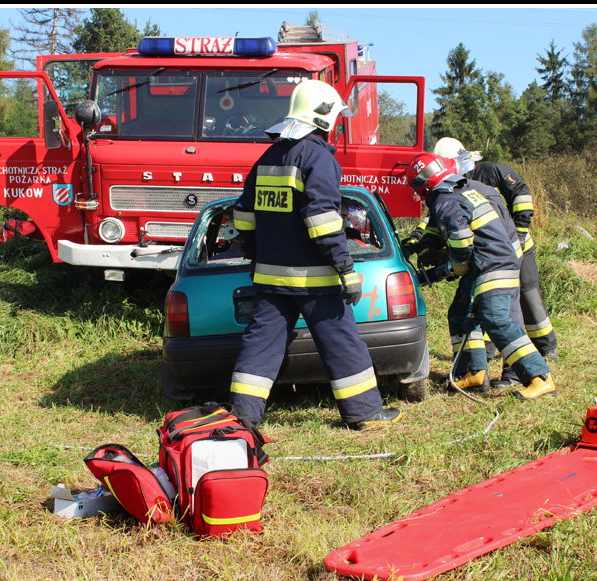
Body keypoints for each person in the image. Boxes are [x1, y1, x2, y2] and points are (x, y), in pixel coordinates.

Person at [229, 80, 402, 430]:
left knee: (260, 347)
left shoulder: (269, 157)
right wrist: (344, 266)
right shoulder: (317, 157)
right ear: (323, 115)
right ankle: (365, 413)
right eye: (336, 116)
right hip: (316, 279)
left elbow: (243, 215)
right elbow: (322, 220)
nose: (337, 123)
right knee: (341, 342)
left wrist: (254, 255)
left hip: (271, 279)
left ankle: (241, 421)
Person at [406, 152, 556, 401]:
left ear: (422, 186)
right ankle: (474, 372)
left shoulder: (444, 201)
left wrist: (442, 271)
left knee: (495, 319)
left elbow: (463, 248)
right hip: (492, 260)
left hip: (492, 265)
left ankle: (539, 377)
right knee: (459, 312)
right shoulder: (460, 190)